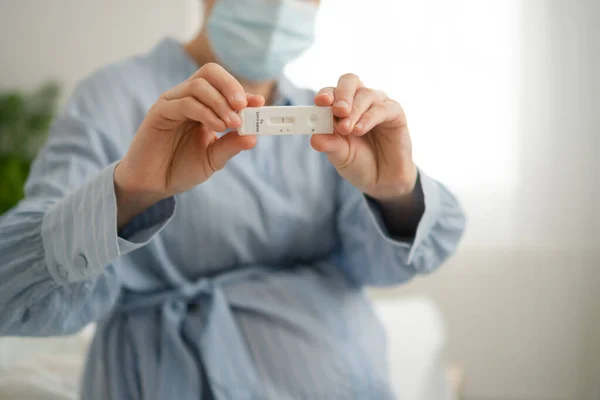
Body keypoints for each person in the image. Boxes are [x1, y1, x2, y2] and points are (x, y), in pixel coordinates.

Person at [0, 0, 466, 398]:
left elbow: (384, 265)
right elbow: (12, 284)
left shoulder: (333, 123)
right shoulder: (112, 99)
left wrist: (396, 194)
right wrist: (128, 195)